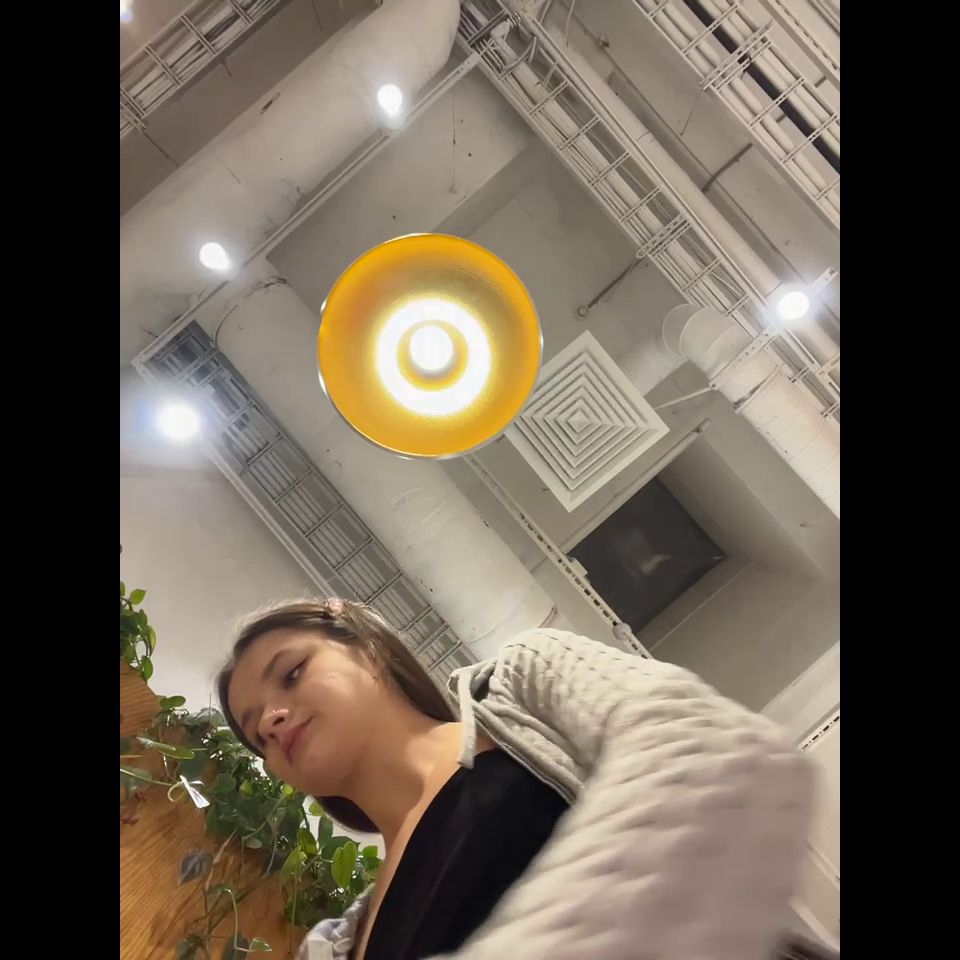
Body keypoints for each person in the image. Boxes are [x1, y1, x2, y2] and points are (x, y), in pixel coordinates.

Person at [218, 598, 812, 960]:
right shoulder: (340, 946)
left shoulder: (525, 684)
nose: (271, 720)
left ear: (367, 648)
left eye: (291, 674)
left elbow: (716, 759)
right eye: (255, 734)